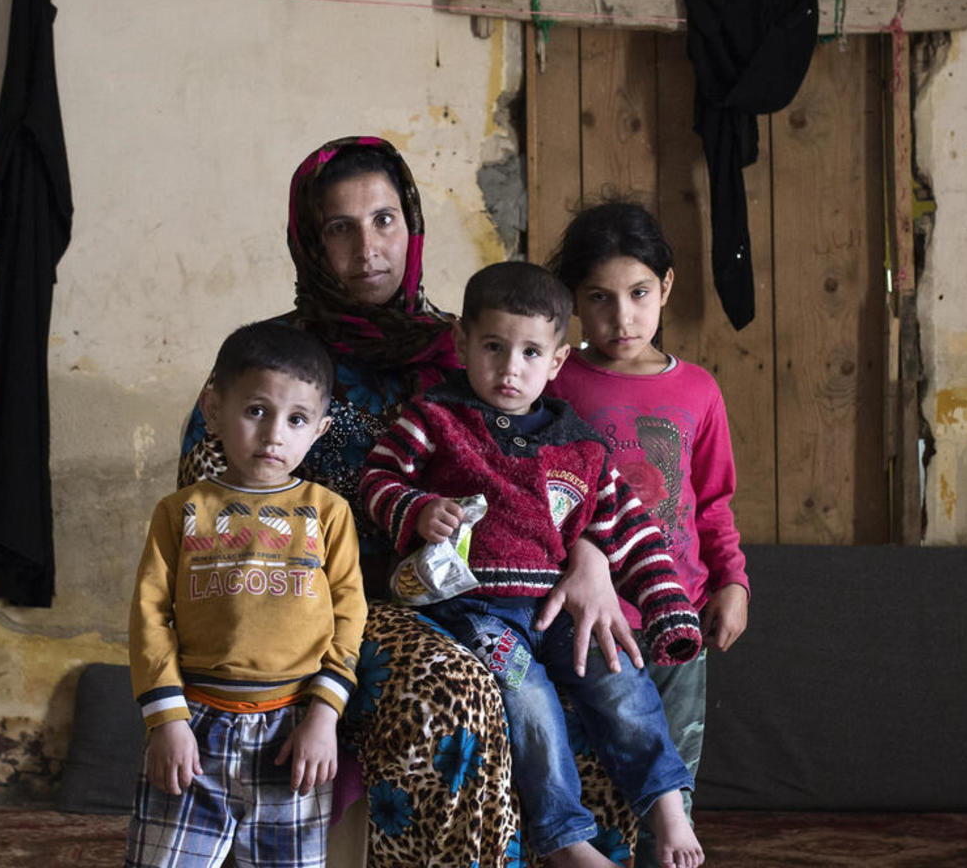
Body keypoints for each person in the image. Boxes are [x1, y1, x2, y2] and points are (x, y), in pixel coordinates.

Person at [178, 137, 645, 868]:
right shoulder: (271, 362)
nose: (367, 248)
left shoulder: (475, 346)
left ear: (412, 225)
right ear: (310, 241)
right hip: (325, 604)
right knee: (453, 689)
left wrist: (589, 556)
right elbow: (206, 506)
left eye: (384, 220)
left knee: (598, 667)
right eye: (340, 228)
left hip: (487, 588)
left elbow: (560, 466)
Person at [359, 261, 705, 868]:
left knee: (621, 678)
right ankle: (565, 839)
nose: (510, 369)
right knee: (531, 698)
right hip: (474, 611)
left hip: (554, 610)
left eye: (530, 353)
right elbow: (377, 478)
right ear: (463, 342)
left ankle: (667, 807)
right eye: (493, 347)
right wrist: (417, 509)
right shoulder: (435, 418)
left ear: (557, 361)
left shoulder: (580, 446)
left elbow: (631, 530)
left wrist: (669, 610)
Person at [546, 201, 750, 868]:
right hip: (588, 626)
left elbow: (712, 502)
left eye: (638, 294)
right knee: (599, 784)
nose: (621, 318)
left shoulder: (698, 391)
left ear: (666, 286)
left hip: (677, 620)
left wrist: (733, 581)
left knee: (673, 786)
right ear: (574, 302)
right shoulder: (555, 381)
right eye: (598, 299)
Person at [127, 321, 366, 868]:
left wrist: (324, 716)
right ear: (213, 410)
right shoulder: (180, 512)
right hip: (193, 727)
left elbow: (349, 616)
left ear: (320, 430)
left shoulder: (329, 513)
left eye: (296, 419)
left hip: (294, 732)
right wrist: (167, 721)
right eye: (256, 410)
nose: (274, 434)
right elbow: (149, 616)